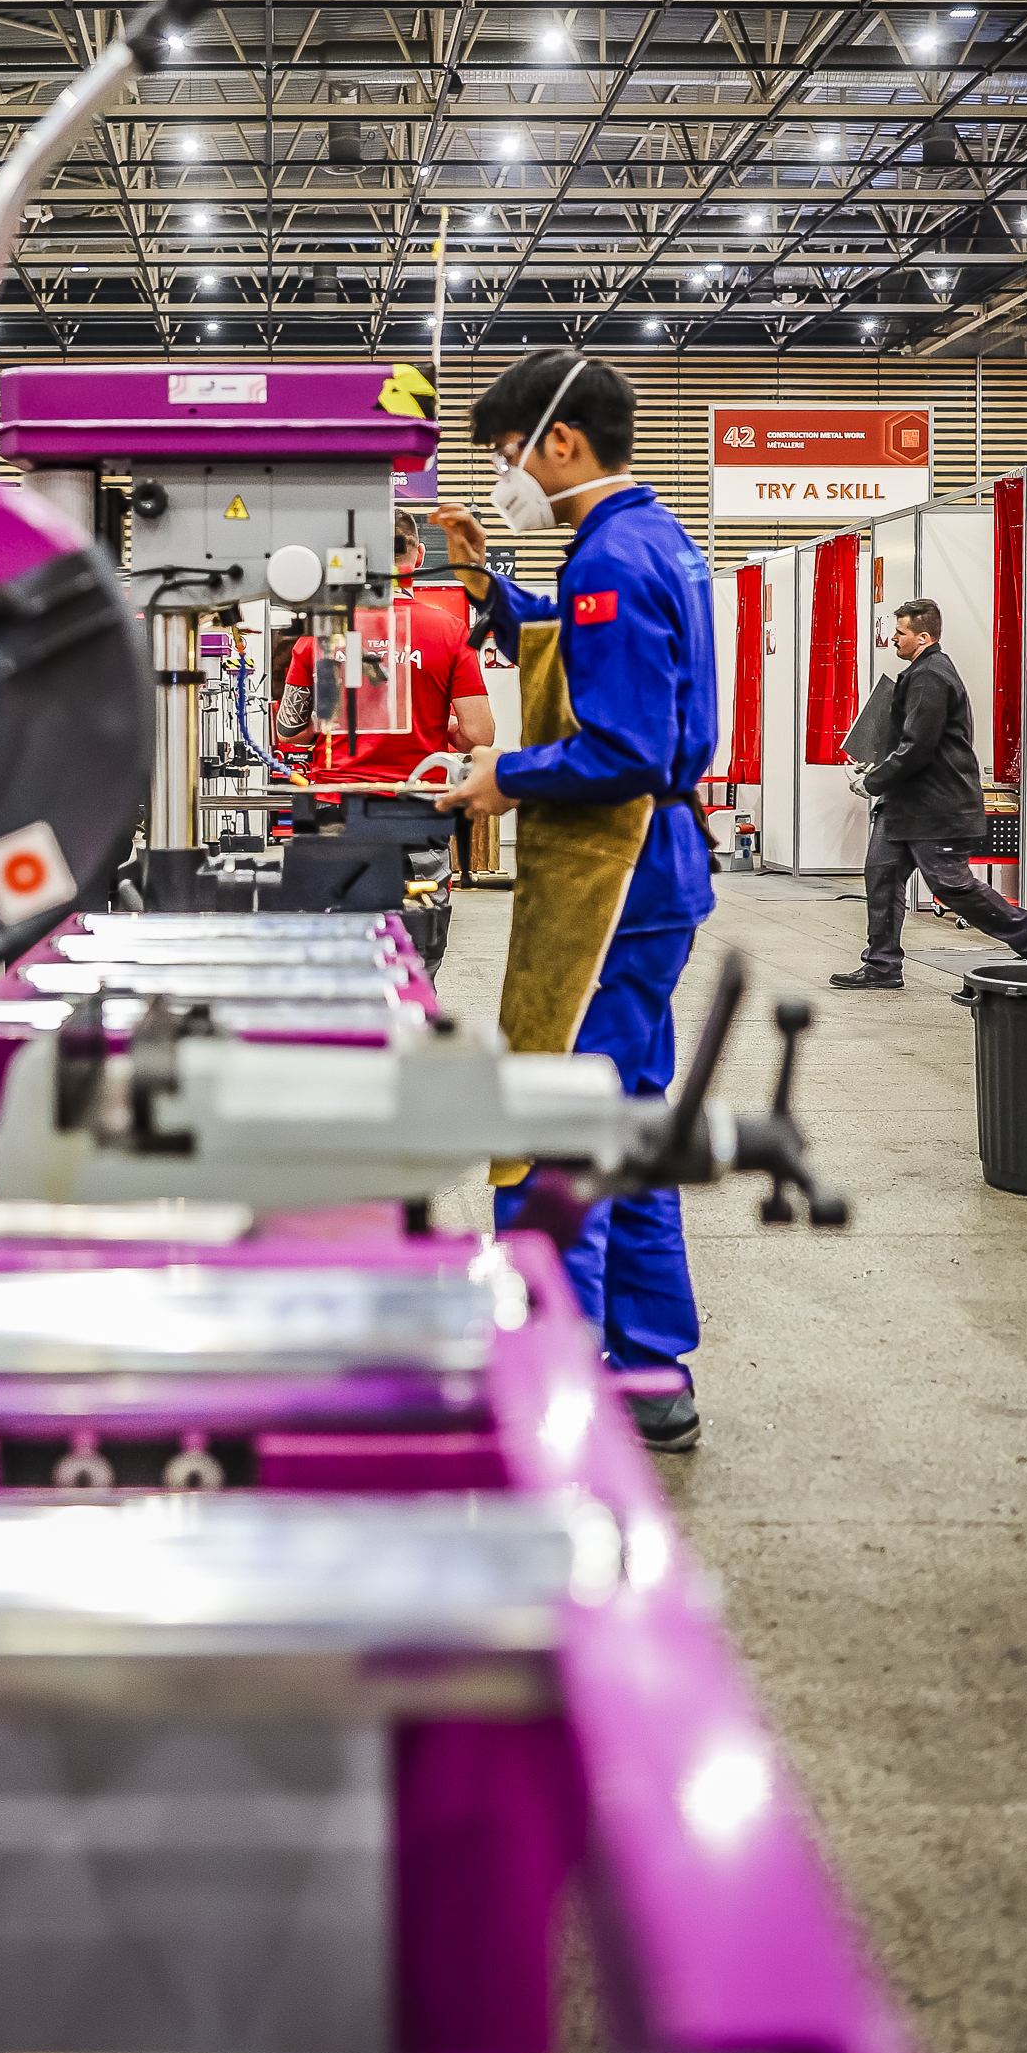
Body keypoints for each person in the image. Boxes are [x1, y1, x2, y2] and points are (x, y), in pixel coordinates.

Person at [430, 350, 717, 1452]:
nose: (507, 475)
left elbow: (624, 745)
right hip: (657, 870)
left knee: (551, 1121)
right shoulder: (651, 538)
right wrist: (488, 585)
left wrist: (502, 774)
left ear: (559, 441)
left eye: (507, 455)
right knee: (625, 1117)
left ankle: (550, 1361)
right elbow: (580, 645)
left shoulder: (608, 557)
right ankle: (647, 1368)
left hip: (619, 871)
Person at [277, 510, 494, 972]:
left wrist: (328, 719)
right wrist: (436, 727)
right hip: (418, 814)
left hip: (335, 812)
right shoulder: (450, 632)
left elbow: (289, 730)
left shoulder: (323, 633)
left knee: (333, 953)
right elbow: (479, 735)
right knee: (416, 952)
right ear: (417, 555)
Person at [831, 597, 1027, 990]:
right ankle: (882, 965)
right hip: (905, 807)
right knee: (882, 877)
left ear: (923, 636)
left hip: (937, 807)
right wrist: (876, 766)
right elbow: (908, 741)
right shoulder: (919, 673)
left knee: (951, 885)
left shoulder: (931, 676)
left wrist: (872, 782)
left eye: (900, 633)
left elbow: (918, 747)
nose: (893, 640)